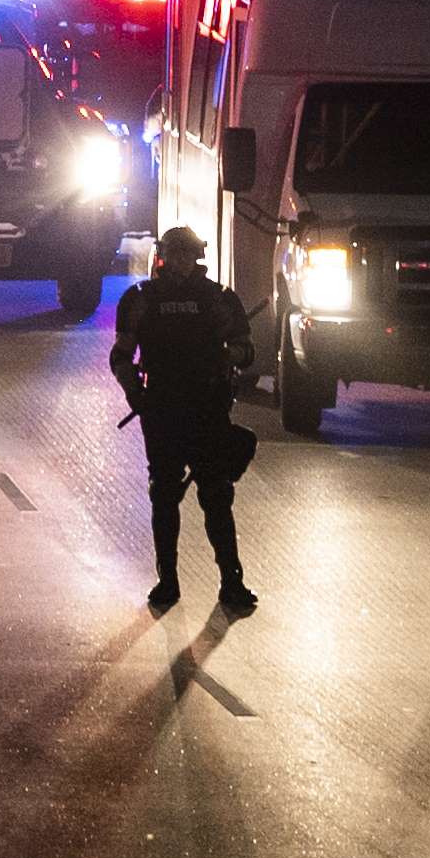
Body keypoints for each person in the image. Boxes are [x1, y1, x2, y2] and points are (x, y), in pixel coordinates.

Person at [107, 223, 261, 617]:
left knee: (215, 495)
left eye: (187, 256)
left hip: (206, 405)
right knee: (164, 493)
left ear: (197, 258)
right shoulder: (141, 300)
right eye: (175, 255)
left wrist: (226, 358)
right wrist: (134, 393)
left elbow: (246, 351)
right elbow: (121, 356)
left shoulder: (217, 300)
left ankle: (232, 580)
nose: (181, 263)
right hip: (160, 406)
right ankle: (168, 580)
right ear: (163, 256)